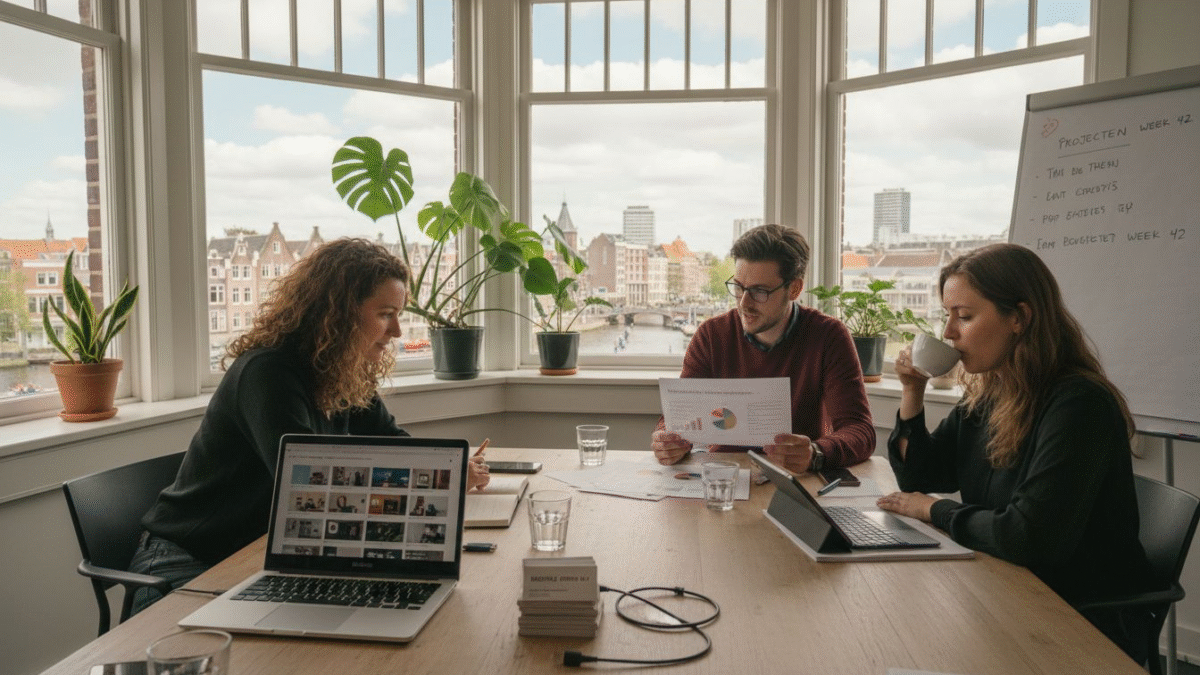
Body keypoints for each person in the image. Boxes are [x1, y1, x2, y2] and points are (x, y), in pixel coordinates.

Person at [128, 238, 489, 613]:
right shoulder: (267, 372)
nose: (397, 331)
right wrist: (436, 480)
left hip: (265, 552)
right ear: (340, 313)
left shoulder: (341, 372)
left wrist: (445, 472)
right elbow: (308, 484)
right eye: (385, 313)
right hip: (190, 558)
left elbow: (393, 444)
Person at [876, 242, 1153, 663]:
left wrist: (934, 511)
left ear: (1019, 318)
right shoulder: (992, 392)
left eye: (964, 316)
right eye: (947, 315)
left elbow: (1027, 538)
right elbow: (919, 477)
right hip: (1002, 583)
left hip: (1076, 617)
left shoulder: (1079, 404)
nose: (948, 332)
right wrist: (913, 392)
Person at [651, 224, 875, 474]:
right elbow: (682, 417)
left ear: (794, 289)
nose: (744, 303)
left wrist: (815, 452)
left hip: (795, 480)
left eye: (759, 291)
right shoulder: (712, 335)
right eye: (738, 287)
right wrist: (668, 440)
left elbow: (860, 431)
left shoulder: (828, 337)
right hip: (723, 476)